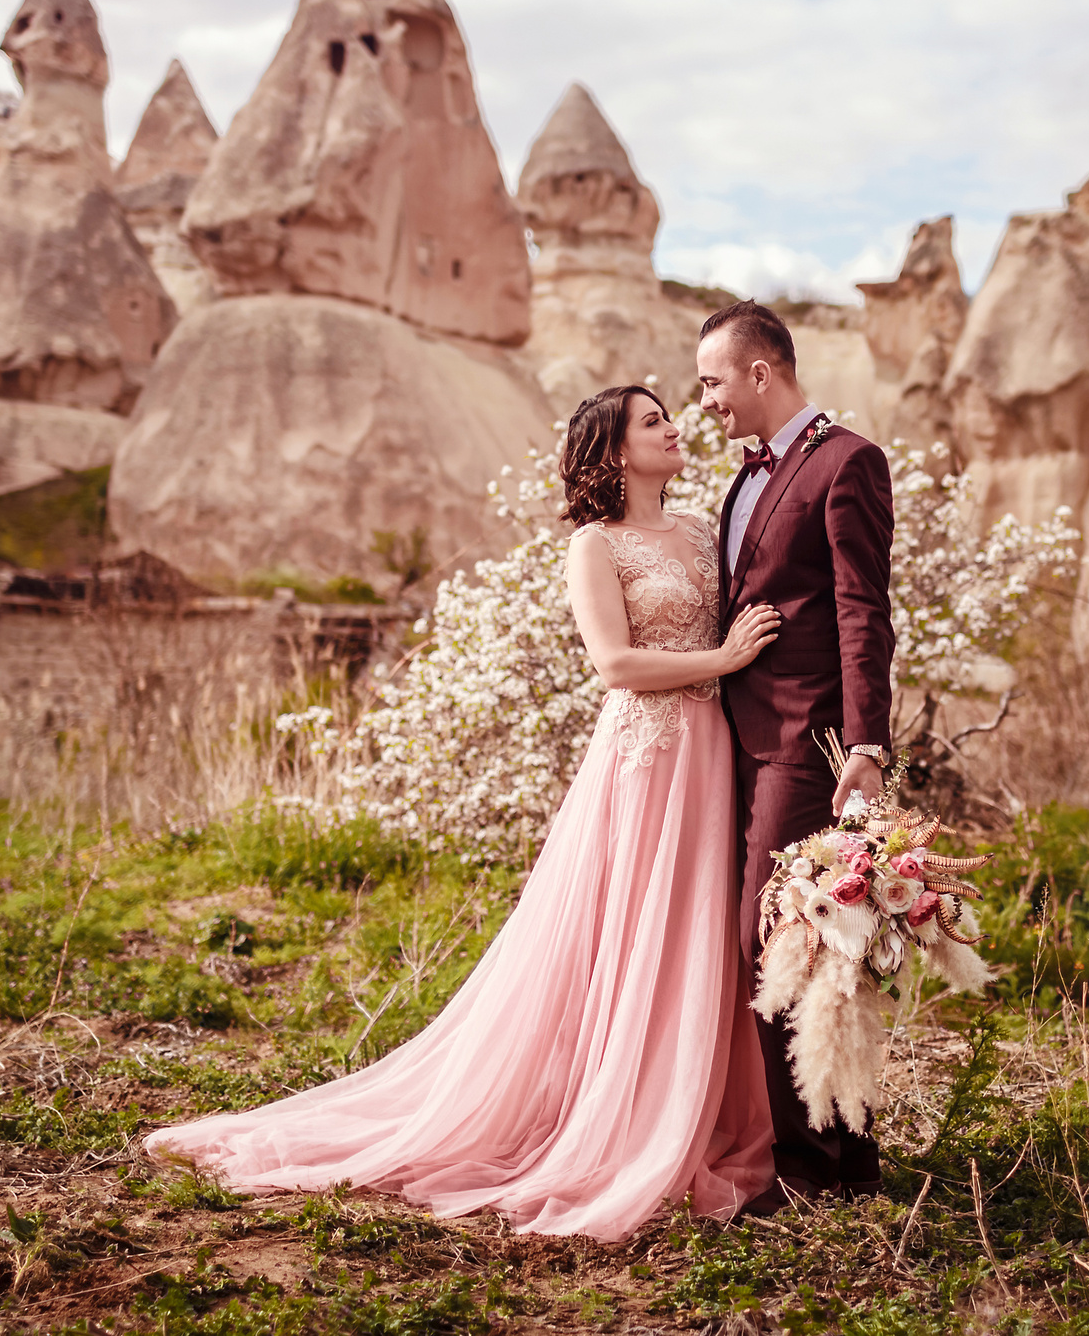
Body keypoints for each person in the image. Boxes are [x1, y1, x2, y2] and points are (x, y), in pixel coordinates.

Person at [142, 385, 781, 1239]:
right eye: (653, 420)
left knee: (698, 930)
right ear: (616, 450)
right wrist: (724, 655)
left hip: (716, 753)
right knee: (637, 925)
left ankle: (692, 1106)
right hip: (649, 753)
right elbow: (615, 663)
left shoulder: (706, 529)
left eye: (671, 414)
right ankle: (614, 1116)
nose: (675, 428)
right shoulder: (596, 543)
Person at [695, 300, 896, 1211]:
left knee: (773, 942)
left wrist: (865, 742)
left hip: (803, 745)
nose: (705, 401)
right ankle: (848, 1158)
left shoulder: (847, 462)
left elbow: (863, 612)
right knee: (800, 946)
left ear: (760, 373)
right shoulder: (742, 482)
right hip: (730, 746)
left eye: (713, 382)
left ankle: (803, 1161)